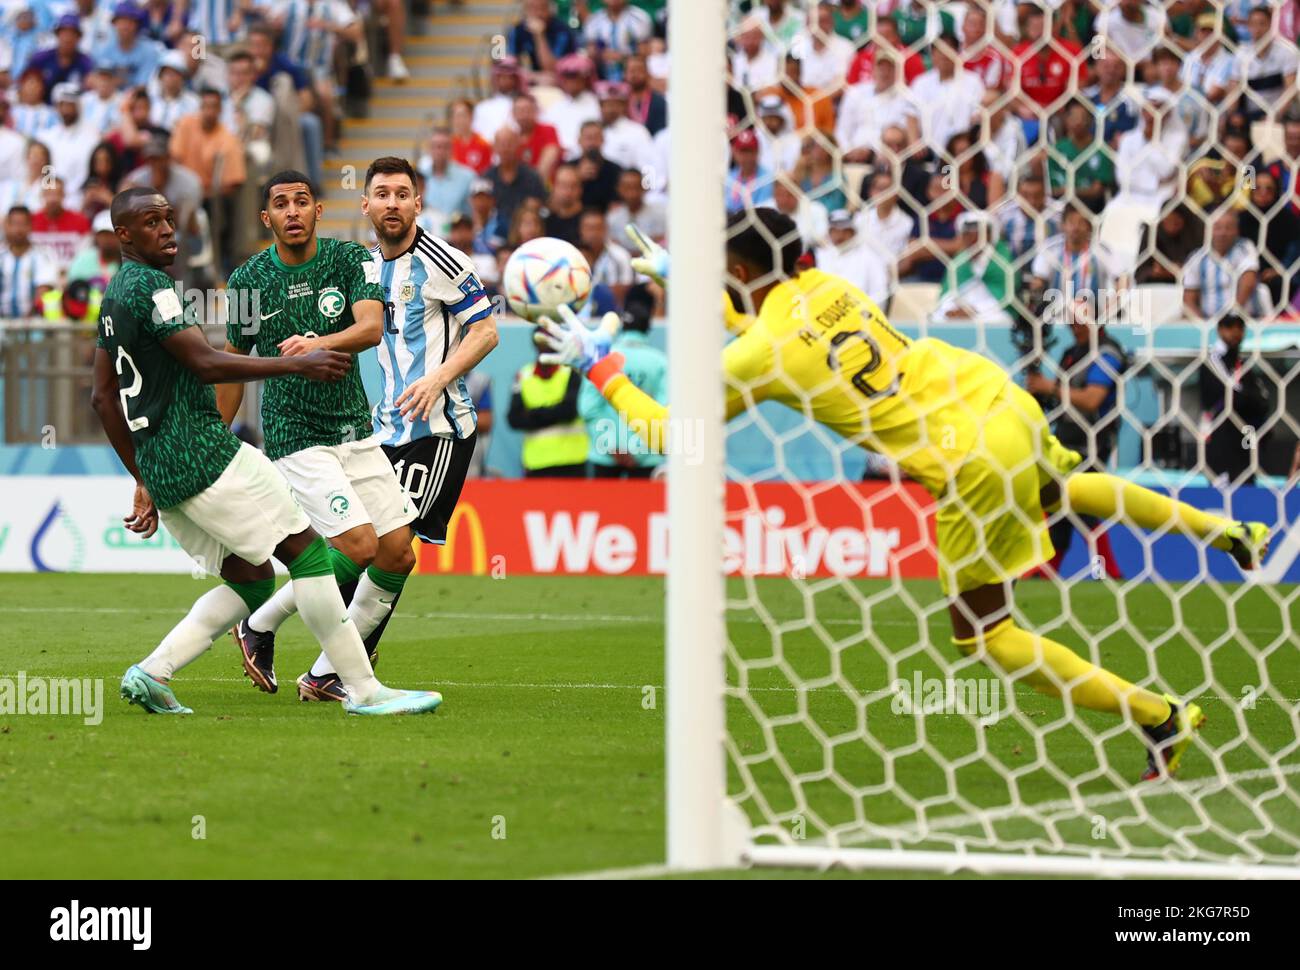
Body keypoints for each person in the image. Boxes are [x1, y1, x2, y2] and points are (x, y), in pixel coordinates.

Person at [537, 211, 1273, 782]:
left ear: (736, 269)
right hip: (992, 397)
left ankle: (1159, 715)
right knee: (1062, 488)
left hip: (966, 461)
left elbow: (673, 434)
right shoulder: (830, 287)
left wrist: (603, 369)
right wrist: (690, 281)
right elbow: (767, 319)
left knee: (984, 635)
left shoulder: (759, 350)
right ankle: (1224, 530)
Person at [94, 186, 440, 716]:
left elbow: (102, 397)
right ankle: (363, 691)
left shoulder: (115, 293)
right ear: (124, 235)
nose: (167, 230)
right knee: (309, 555)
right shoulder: (156, 289)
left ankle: (152, 672)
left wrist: (142, 476)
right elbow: (208, 363)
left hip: (165, 469)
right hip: (206, 455)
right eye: (151, 223)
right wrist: (294, 364)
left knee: (252, 578)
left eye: (169, 219)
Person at [217, 171, 419, 703]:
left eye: (301, 202)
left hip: (354, 427)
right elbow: (235, 365)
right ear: (267, 219)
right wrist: (215, 438)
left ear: (317, 211)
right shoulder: (247, 280)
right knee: (358, 545)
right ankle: (262, 625)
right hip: (294, 434)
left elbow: (371, 328)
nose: (292, 211)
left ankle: (323, 671)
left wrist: (317, 344)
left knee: (397, 553)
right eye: (280, 204)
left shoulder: (350, 259)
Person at [1026, 318, 1131, 578]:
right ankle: (1050, 570)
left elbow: (1092, 399)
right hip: (1064, 439)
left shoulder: (1108, 353)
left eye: (1081, 322)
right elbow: (1059, 399)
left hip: (1093, 442)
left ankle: (1108, 570)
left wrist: (1051, 387)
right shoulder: (1070, 354)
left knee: (1082, 505)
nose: (1075, 327)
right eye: (1071, 322)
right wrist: (1039, 393)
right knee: (1058, 505)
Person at [578, 283, 665, 478]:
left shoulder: (602, 358)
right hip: (647, 456)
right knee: (646, 509)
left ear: (623, 325)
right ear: (648, 326)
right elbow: (666, 407)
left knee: (604, 509)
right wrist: (638, 450)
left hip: (605, 456)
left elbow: (589, 408)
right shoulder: (660, 362)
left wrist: (612, 447)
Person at [1200, 314, 1271, 486]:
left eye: (1240, 327)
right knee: (1221, 495)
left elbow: (1262, 401)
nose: (1235, 332)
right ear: (1220, 330)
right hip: (1221, 440)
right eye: (1230, 327)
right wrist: (1247, 398)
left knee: (1246, 489)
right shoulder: (1212, 361)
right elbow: (1228, 395)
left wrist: (1246, 398)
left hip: (1245, 439)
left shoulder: (1243, 364)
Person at [508, 348, 588, 477]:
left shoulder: (571, 371)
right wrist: (555, 410)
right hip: (537, 461)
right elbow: (514, 419)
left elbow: (569, 412)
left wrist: (533, 413)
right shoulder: (523, 374)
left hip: (571, 460)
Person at [0, 206, 58, 317]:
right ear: (6, 226)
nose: (18, 229)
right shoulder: (1, 256)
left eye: (23, 224)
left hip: (34, 324)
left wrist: (26, 322)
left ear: (31, 226)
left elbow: (43, 291)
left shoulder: (43, 255)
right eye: (14, 224)